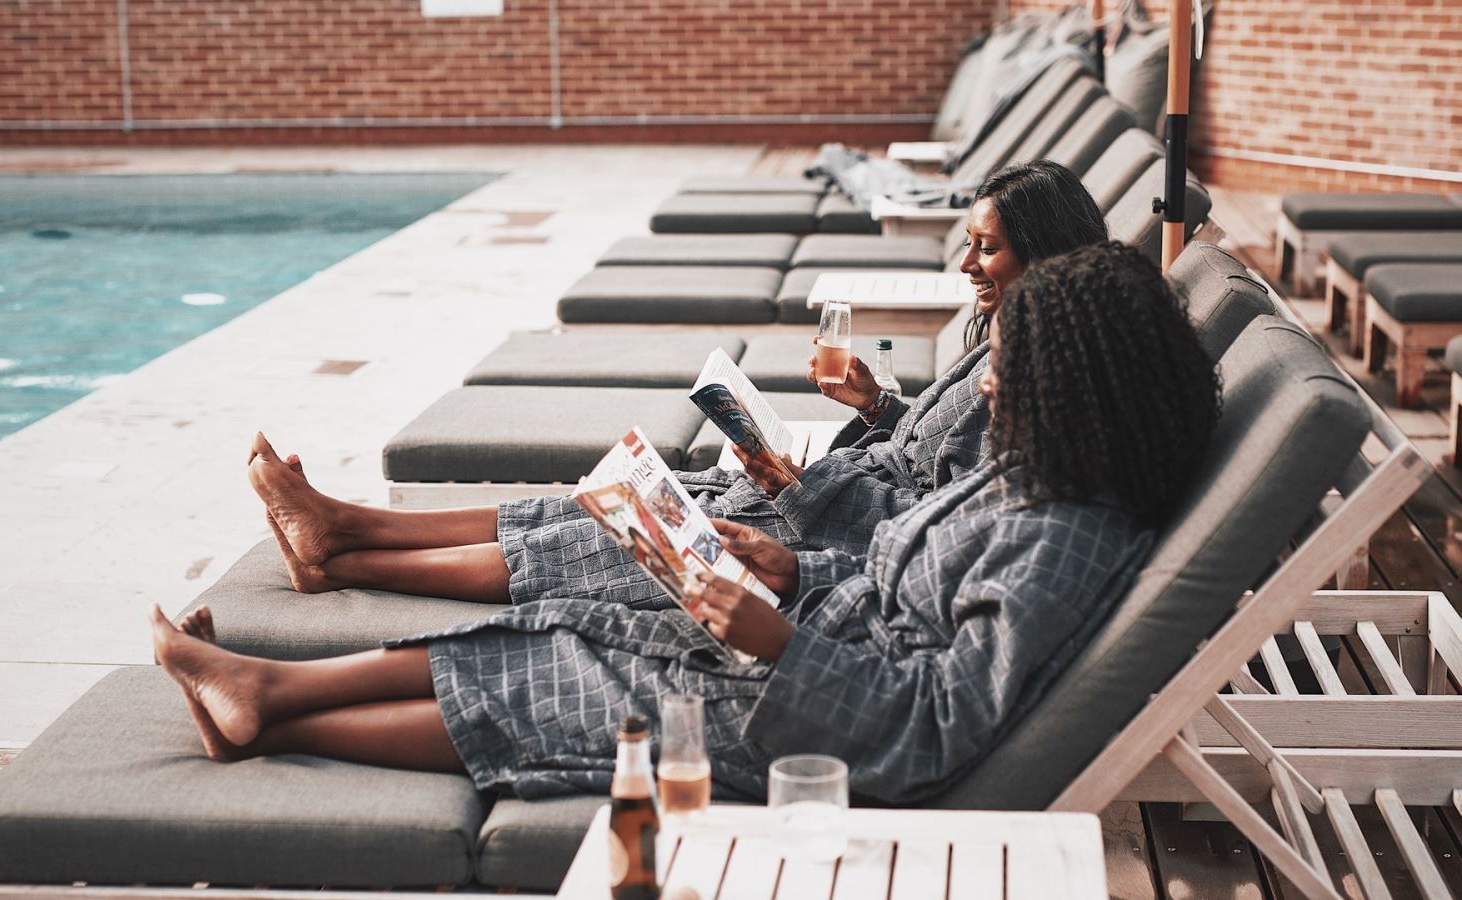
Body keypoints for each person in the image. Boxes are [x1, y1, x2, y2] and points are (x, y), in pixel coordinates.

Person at [153, 241, 1222, 805]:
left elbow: (940, 723)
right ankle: (270, 689)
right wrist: (791, 577)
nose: (990, 388)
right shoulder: (1047, 479)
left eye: (1013, 370)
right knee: (571, 625)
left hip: (828, 736)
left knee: (566, 684)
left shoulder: (1065, 536)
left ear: (1084, 384)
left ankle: (269, 710)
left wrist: (780, 636)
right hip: (814, 650)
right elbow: (909, 583)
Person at [249, 160, 1111, 606]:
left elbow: (941, 525)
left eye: (986, 248)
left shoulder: (1045, 383)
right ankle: (350, 529)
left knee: (609, 539)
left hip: (833, 541)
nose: (966, 264)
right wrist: (877, 406)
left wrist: (801, 485)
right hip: (829, 493)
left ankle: (351, 559)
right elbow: (932, 448)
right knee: (603, 497)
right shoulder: (1008, 330)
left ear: (1045, 247)